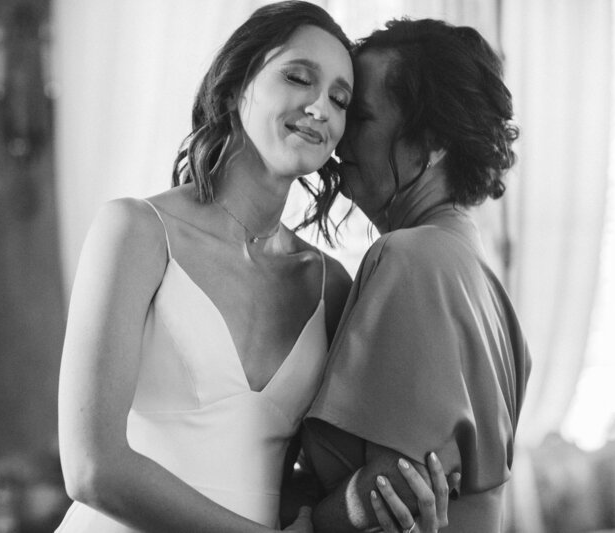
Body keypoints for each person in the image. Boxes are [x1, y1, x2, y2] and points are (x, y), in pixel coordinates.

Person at [54, 3, 450, 532]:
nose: (319, 108)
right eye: (298, 78)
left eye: (340, 99)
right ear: (237, 84)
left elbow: (319, 479)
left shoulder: (331, 285)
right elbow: (91, 469)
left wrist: (395, 507)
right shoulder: (136, 231)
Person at [301, 18, 532, 533]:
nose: (338, 141)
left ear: (429, 143)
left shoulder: (410, 257)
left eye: (358, 117)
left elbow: (398, 485)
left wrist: (304, 519)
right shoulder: (478, 274)